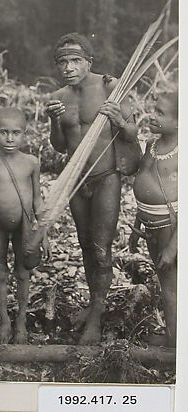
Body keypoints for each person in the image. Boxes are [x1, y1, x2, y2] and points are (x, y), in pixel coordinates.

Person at [45, 32, 138, 344]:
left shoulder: (110, 86)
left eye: (75, 60)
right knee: (86, 244)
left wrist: (118, 121)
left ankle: (96, 318)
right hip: (76, 182)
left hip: (105, 178)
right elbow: (59, 147)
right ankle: (94, 305)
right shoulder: (59, 97)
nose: (69, 67)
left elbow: (132, 131)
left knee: (101, 247)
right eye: (62, 62)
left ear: (89, 61)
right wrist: (54, 122)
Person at [0, 107, 50, 344]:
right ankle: (4, 321)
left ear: (25, 134)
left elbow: (37, 199)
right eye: (4, 132)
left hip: (24, 222)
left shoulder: (31, 162)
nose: (10, 138)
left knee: (23, 273)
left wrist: (43, 233)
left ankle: (21, 321)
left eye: (16, 133)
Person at [130, 89, 177, 347]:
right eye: (153, 109)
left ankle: (174, 343)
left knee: (173, 285)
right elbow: (144, 183)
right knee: (164, 280)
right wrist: (137, 225)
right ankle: (173, 333)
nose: (152, 115)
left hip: (172, 228)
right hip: (151, 225)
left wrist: (174, 246)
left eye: (161, 113)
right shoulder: (151, 145)